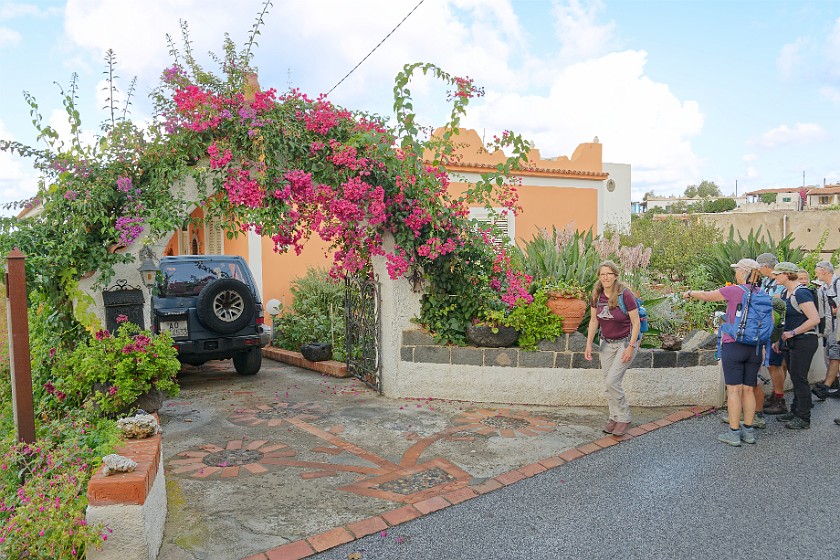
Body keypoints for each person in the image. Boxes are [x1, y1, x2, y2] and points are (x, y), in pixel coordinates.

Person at [683, 258, 764, 446]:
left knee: (734, 391)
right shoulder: (761, 293)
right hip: (755, 347)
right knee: (748, 389)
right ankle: (749, 432)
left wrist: (689, 292)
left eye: (737, 270)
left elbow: (706, 295)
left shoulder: (734, 290)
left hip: (734, 344)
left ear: (743, 273)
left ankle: (734, 433)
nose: (735, 273)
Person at [584, 260, 641, 437]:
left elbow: (636, 322)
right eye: (603, 274)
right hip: (605, 343)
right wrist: (588, 344)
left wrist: (631, 347)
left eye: (609, 274)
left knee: (612, 382)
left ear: (615, 276)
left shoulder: (625, 295)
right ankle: (614, 417)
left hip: (625, 343)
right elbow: (594, 321)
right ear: (599, 277)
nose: (606, 277)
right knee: (608, 383)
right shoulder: (596, 295)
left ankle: (623, 417)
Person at [773, 261, 821, 429]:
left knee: (799, 379)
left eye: (777, 274)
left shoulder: (801, 293)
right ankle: (795, 411)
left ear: (787, 274)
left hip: (804, 340)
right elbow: (787, 321)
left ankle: (804, 418)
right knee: (795, 377)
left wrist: (792, 333)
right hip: (792, 341)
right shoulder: (787, 292)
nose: (774, 276)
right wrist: (780, 340)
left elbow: (814, 319)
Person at [756, 252, 788, 415]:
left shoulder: (780, 283)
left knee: (774, 364)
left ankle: (780, 400)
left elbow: (778, 304)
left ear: (765, 266)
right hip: (768, 327)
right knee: (774, 364)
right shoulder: (768, 281)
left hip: (776, 329)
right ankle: (776, 394)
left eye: (759, 267)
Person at [811, 261, 840, 400]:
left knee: (835, 354)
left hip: (838, 325)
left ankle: (826, 386)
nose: (815, 273)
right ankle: (834, 385)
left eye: (816, 270)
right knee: (830, 354)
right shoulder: (823, 288)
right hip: (830, 327)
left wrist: (836, 310)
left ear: (823, 270)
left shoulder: (838, 283)